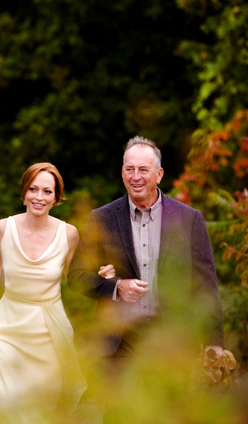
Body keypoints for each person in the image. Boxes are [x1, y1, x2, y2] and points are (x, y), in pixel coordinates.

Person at [68, 136, 224, 365]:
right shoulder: (102, 218)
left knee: (170, 402)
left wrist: (214, 340)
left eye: (143, 169)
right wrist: (117, 287)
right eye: (129, 169)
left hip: (173, 338)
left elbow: (205, 283)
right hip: (120, 341)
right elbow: (76, 276)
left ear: (159, 174)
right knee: (118, 402)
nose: (136, 177)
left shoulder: (189, 219)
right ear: (122, 173)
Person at [0, 163, 98, 422]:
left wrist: (103, 276)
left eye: (47, 191)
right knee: (1, 403)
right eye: (33, 189)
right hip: (8, 328)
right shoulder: (3, 229)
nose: (39, 197)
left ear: (57, 197)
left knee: (42, 407)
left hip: (49, 332)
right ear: (24, 193)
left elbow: (74, 279)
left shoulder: (69, 235)